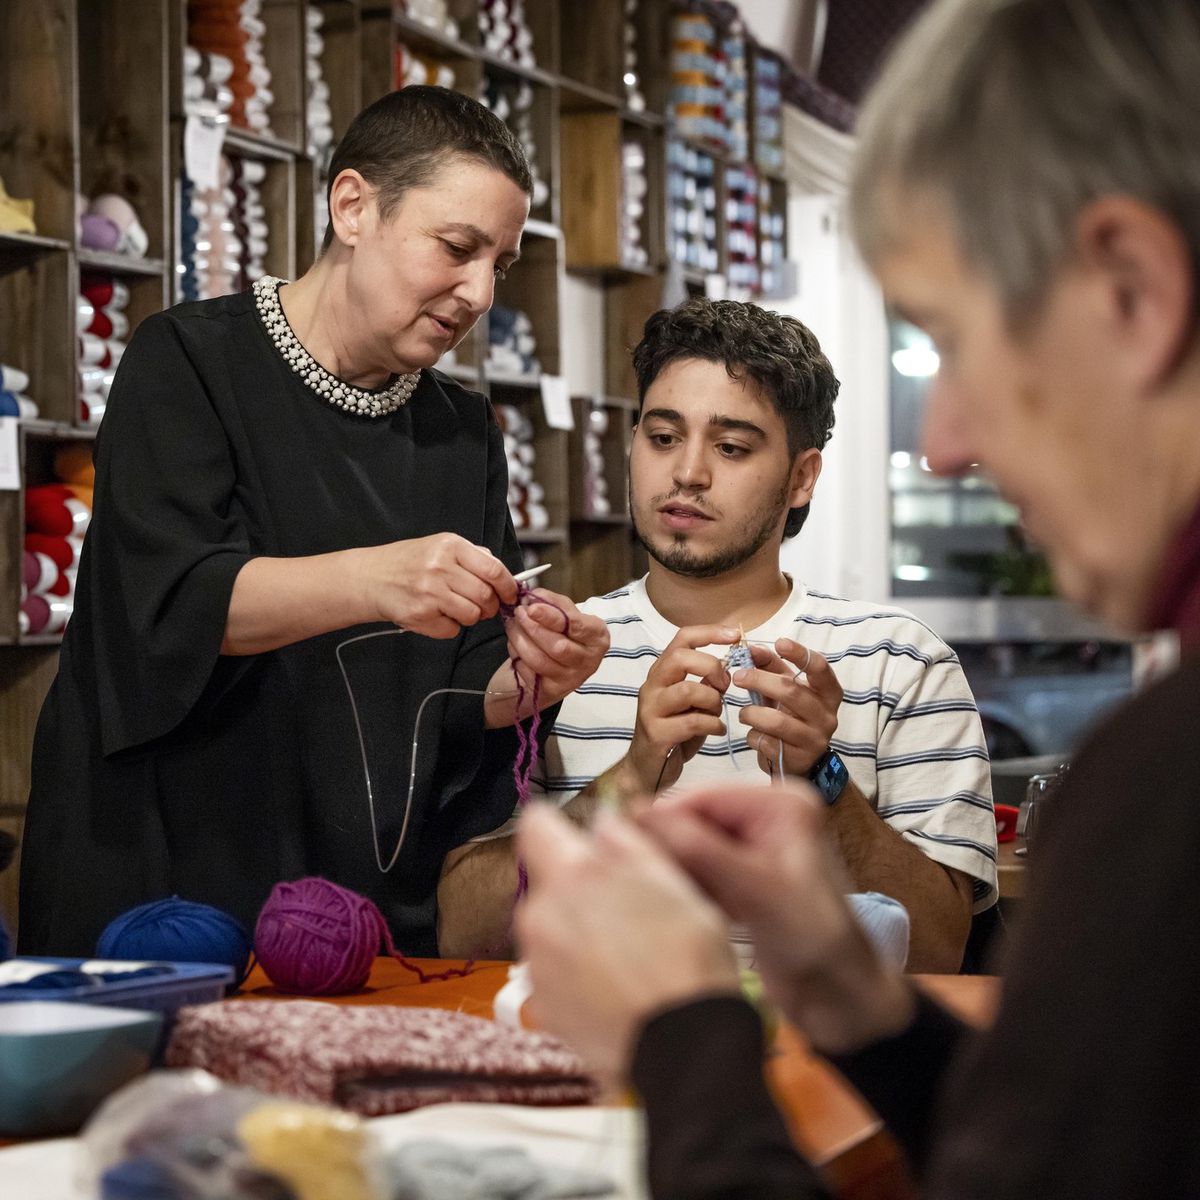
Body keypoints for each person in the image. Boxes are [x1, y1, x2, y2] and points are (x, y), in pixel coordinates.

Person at [515, 0, 1200, 1196]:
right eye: (662, 435)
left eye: (953, 338)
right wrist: (849, 998)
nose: (943, 446)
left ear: (1134, 293)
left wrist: (681, 1035)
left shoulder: (1168, 784)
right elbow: (1055, 1158)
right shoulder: (558, 650)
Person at [18, 86, 608, 958]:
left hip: (351, 901)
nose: (480, 291)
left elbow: (454, 687)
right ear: (353, 206)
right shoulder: (186, 361)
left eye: (502, 265)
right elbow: (166, 607)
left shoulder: (459, 434)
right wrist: (379, 579)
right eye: (457, 247)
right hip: (165, 875)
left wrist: (533, 677)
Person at [440, 298, 996, 971]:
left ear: (801, 477)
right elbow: (464, 935)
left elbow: (939, 951)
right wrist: (635, 774)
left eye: (730, 447)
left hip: (823, 1057)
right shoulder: (550, 654)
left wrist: (822, 780)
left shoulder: (900, 661)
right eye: (663, 437)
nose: (687, 473)